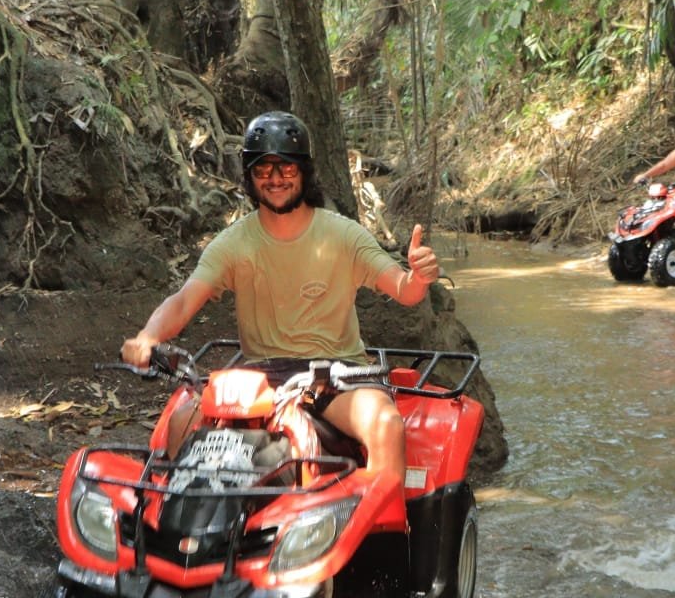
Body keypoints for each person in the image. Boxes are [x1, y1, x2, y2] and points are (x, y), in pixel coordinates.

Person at [120, 110, 442, 483]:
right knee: (181, 420)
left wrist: (419, 276)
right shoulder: (234, 243)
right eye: (262, 170)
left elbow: (404, 290)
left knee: (385, 424)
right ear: (249, 176)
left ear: (304, 172)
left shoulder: (343, 235)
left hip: (337, 375)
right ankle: (172, 528)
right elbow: (184, 299)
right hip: (261, 376)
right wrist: (147, 338)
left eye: (286, 169)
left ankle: (390, 536)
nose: (275, 179)